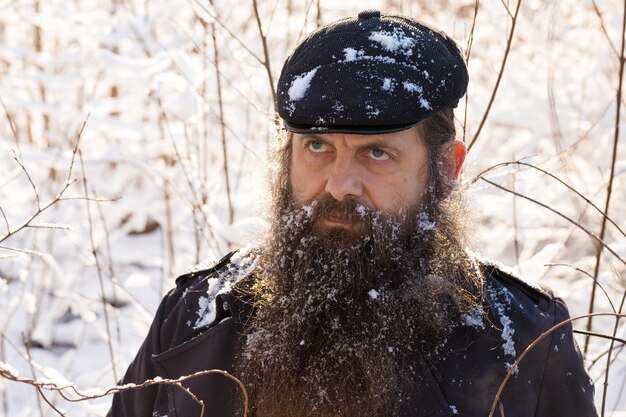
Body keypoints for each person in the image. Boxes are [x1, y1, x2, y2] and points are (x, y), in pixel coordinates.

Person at [108, 10, 597, 417]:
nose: (339, 185)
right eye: (317, 146)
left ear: (445, 168)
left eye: (376, 153)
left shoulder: (524, 344)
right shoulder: (196, 318)